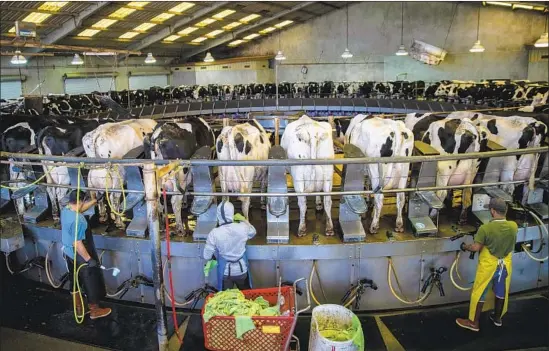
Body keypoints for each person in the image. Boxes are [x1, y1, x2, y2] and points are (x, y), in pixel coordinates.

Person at [456, 197, 517, 332]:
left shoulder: (486, 228)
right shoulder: (514, 226)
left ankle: (473, 323)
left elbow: (476, 247)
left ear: (493, 211)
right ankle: (497, 318)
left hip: (489, 266)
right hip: (505, 266)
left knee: (480, 292)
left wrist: (466, 246)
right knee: (501, 291)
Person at [61, 190, 111, 320]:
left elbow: (79, 209)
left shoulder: (66, 210)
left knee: (74, 280)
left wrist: (94, 201)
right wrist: (89, 259)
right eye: (83, 202)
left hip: (68, 253)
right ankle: (95, 310)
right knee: (90, 280)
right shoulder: (80, 221)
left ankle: (78, 308)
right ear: (80, 201)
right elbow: (78, 243)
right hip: (80, 254)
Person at [203, 201, 256, 291]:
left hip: (225, 273)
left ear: (218, 215)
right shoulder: (242, 227)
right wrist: (243, 220)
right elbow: (253, 232)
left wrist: (213, 256)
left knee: (226, 299)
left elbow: (206, 255)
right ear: (232, 213)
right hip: (241, 270)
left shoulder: (214, 233)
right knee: (247, 297)